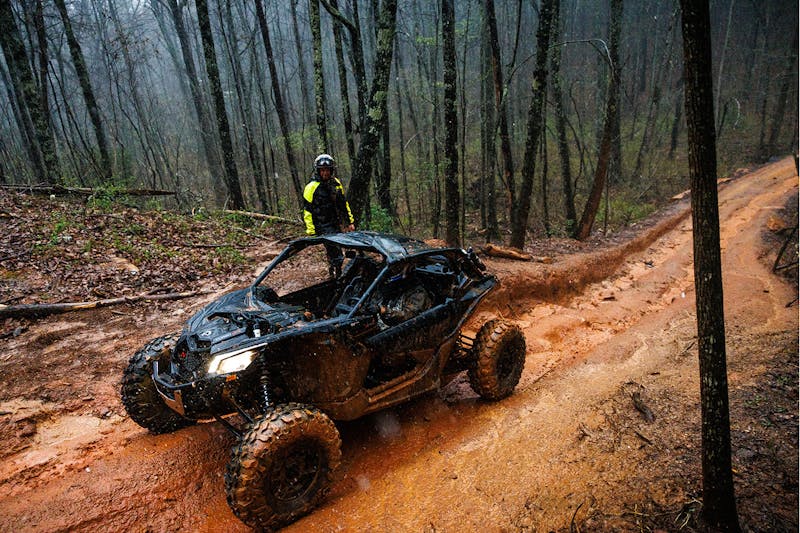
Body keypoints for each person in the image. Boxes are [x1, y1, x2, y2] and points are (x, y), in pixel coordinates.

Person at [303, 154, 355, 277]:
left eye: (327, 170)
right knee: (334, 251)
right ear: (318, 170)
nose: (325, 173)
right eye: (323, 170)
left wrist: (349, 222)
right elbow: (307, 211)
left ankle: (336, 270)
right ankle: (336, 274)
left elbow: (343, 204)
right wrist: (311, 230)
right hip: (322, 225)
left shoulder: (336, 183)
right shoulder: (311, 187)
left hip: (335, 222)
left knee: (340, 248)